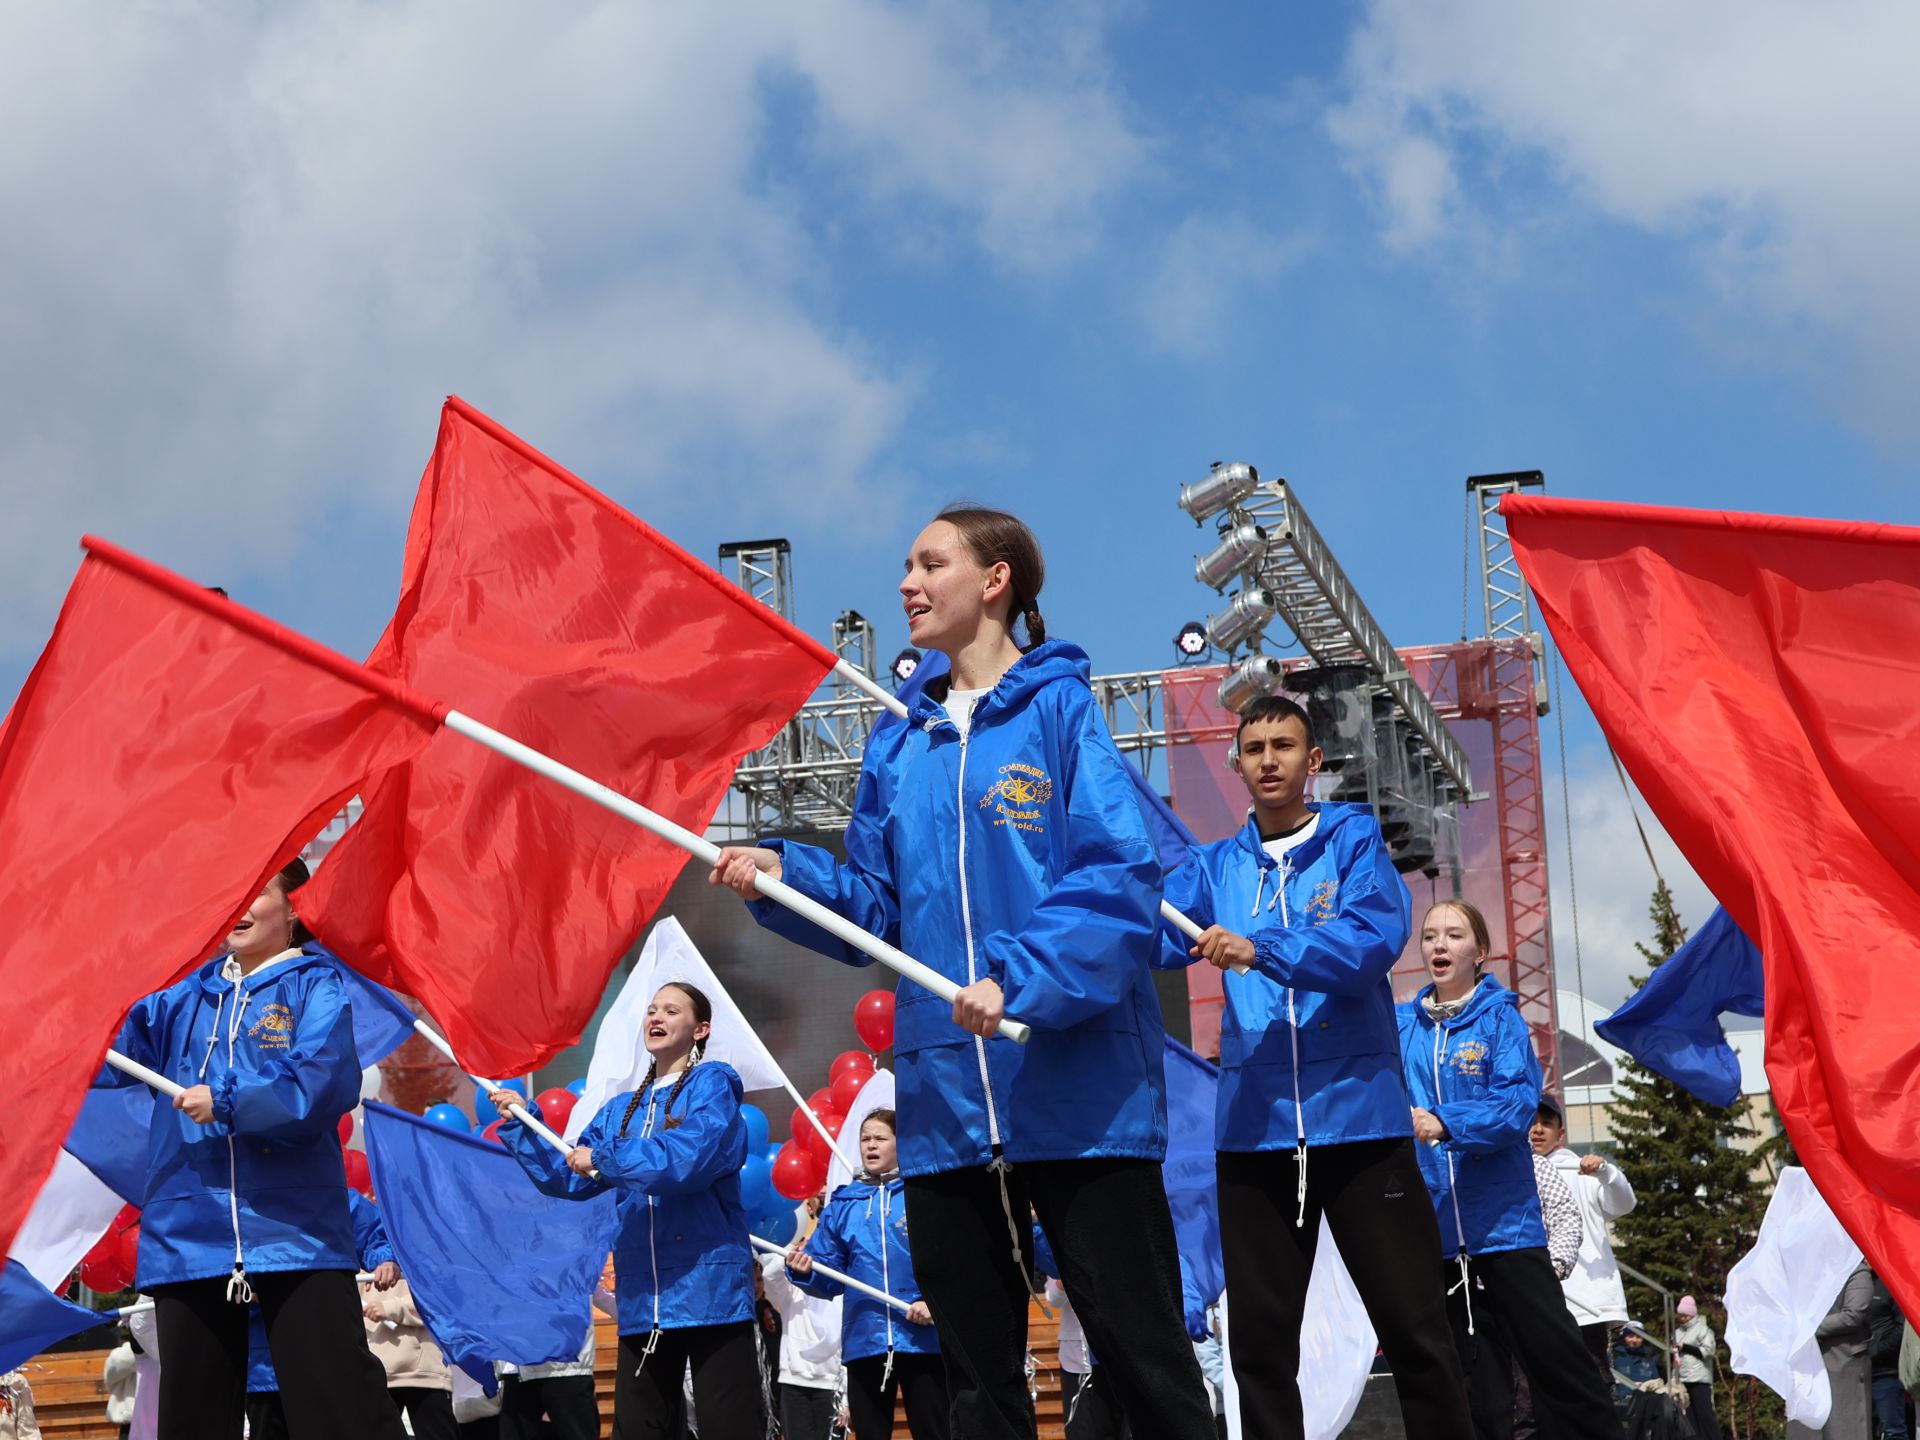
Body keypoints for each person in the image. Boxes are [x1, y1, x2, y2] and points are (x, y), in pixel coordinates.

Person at [712, 505, 1214, 1440]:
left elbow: (1118, 876)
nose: (906, 581)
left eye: (929, 562)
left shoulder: (1061, 709)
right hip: (944, 1102)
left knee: (1142, 1359)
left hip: (1078, 1096)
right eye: (905, 563)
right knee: (976, 1385)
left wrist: (1016, 977)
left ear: (996, 582)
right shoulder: (898, 744)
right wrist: (788, 877)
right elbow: (874, 906)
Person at [1158, 694, 1473, 1440]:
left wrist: (1260, 947)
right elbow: (1152, 936)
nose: (1268, 759)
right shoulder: (1213, 867)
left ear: (1313, 762)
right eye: (1255, 747)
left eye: (1284, 746)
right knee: (1260, 1350)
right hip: (1255, 1136)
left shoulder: (1354, 843)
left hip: (1360, 1124)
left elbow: (1370, 940)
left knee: (1418, 1334)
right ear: (1237, 762)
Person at [95, 858, 406, 1440]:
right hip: (190, 1233)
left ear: (294, 908)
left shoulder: (314, 985)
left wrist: (230, 1099)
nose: (241, 904)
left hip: (297, 1233)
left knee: (342, 1413)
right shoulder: (183, 997)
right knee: (191, 1422)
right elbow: (107, 1042)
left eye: (259, 891)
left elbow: (320, 1078)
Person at [490, 981, 761, 1440]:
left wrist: (605, 1159)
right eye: (652, 1010)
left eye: (671, 1010)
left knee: (728, 1426)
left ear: (700, 1029)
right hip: (643, 1298)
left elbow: (686, 1159)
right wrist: (525, 1122)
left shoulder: (713, 1086)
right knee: (636, 1430)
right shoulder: (618, 1111)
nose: (655, 1017)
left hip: (709, 1291)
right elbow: (568, 1175)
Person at [1397, 899, 1621, 1440]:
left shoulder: (1501, 1019)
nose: (1439, 945)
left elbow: (1516, 1105)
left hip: (1506, 1229)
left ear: (1480, 952)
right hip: (1437, 1233)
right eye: (1430, 936)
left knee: (1560, 1366)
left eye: (1453, 935)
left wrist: (1441, 1122)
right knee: (1473, 1383)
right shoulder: (1402, 1024)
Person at [789, 1109, 948, 1439]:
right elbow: (828, 1276)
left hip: (922, 1339)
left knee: (935, 1430)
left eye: (879, 1138)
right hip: (865, 1342)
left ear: (900, 1143)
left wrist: (934, 1303)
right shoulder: (844, 1204)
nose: (870, 1146)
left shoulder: (922, 1196)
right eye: (865, 1139)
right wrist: (804, 1271)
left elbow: (950, 1261)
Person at [244, 1187, 404, 1439]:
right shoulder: (242, 1199)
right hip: (264, 1365)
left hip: (326, 1351)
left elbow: (374, 1230)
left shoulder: (329, 1190)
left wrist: (384, 1259)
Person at [1530, 1098, 1638, 1390]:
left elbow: (1624, 1204)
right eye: (1531, 1121)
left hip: (1584, 1306)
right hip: (1533, 1301)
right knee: (1533, 1392)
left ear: (1560, 1134)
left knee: (1593, 1387)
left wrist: (1607, 1172)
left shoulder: (1580, 1172)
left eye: (1547, 1124)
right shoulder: (1509, 1176)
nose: (1537, 1130)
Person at [758, 1247, 841, 1440]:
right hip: (794, 1383)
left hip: (831, 1384)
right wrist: (788, 1255)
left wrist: (845, 1392)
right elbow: (770, 1277)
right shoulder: (792, 1292)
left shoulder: (841, 1293)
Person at [1789, 1261, 1873, 1440]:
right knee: (1806, 1431)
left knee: (1846, 1430)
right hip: (1807, 1367)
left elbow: (1853, 1315)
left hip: (1843, 1366)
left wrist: (1809, 1329)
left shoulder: (1856, 1270)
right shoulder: (1807, 1272)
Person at [1867, 1271, 1910, 1440]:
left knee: (1893, 1431)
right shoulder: (1851, 1282)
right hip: (1857, 1372)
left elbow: (1902, 1327)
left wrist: (1877, 1350)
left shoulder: (1889, 1284)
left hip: (1886, 1374)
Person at [1670, 1297, 1719, 1440]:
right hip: (1682, 1378)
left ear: (1692, 1314)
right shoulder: (1677, 1332)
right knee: (1688, 1415)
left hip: (1699, 1378)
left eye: (1686, 1314)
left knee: (1705, 1414)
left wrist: (1686, 1347)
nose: (1683, 1317)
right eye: (1681, 1314)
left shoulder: (1703, 1330)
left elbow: (1708, 1351)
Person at [1610, 1327, 1660, 1401]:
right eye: (1630, 1336)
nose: (1634, 1340)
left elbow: (1656, 1380)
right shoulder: (1614, 1354)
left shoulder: (1649, 1356)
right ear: (1624, 1337)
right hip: (1620, 1401)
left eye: (1638, 1337)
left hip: (1645, 1401)